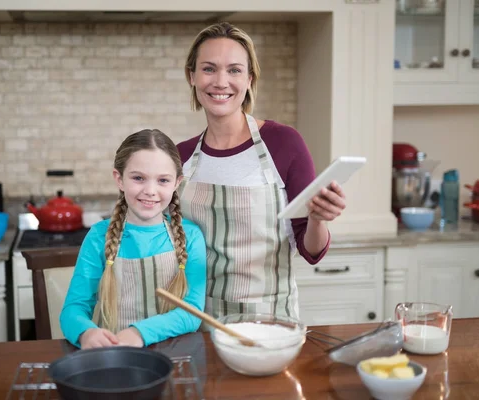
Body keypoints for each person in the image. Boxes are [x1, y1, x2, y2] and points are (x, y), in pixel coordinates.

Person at [177, 22, 346, 320]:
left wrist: (318, 219)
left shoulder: (284, 143)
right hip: (197, 321)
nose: (220, 81)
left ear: (250, 79)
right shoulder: (181, 156)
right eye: (208, 69)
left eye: (234, 70)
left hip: (271, 323)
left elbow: (311, 251)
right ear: (192, 76)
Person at [60, 129, 207, 349]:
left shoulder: (191, 236)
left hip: (174, 357)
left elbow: (192, 313)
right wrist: (86, 333)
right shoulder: (99, 236)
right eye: (138, 178)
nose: (150, 190)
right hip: (114, 356)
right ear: (119, 179)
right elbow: (74, 309)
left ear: (177, 183)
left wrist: (138, 333)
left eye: (163, 180)